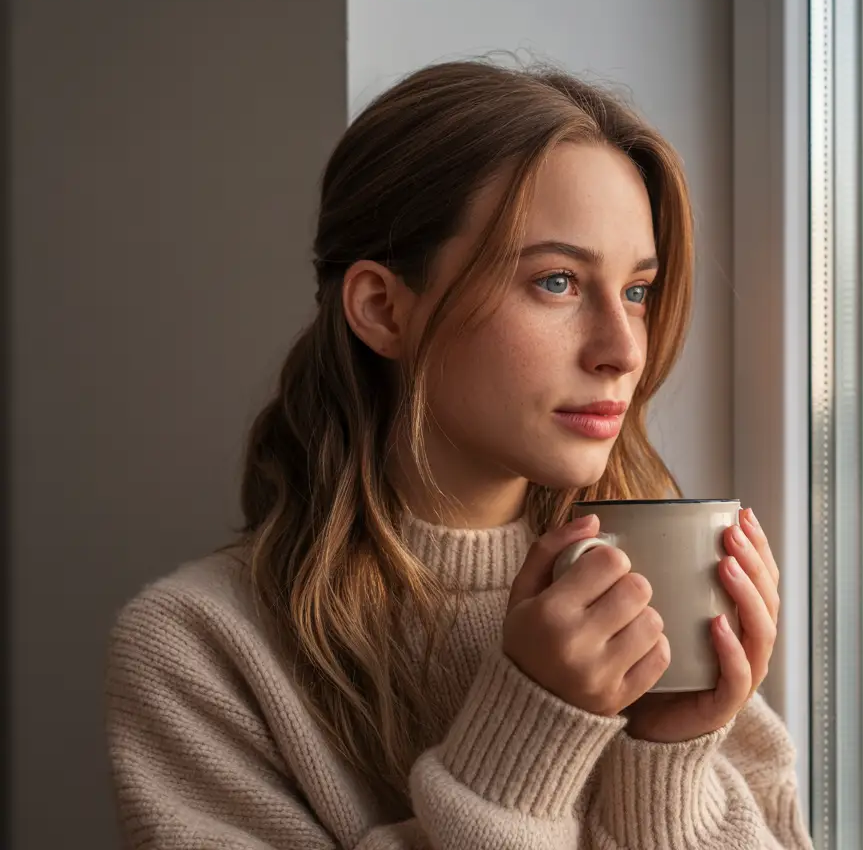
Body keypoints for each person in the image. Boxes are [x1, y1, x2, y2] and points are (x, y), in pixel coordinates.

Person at [104, 59, 813, 850]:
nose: (623, 351)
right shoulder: (201, 649)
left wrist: (670, 760)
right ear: (383, 310)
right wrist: (526, 736)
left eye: (637, 291)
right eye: (556, 282)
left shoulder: (648, 594)